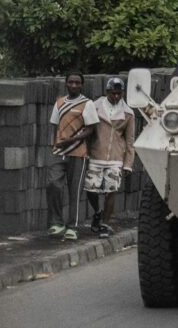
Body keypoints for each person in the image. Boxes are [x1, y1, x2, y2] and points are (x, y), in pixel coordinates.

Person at [47, 73, 100, 241]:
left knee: (74, 190)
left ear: (82, 85)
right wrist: (55, 144)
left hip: (78, 152)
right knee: (53, 184)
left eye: (77, 82)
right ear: (66, 84)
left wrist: (71, 140)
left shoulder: (87, 104)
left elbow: (91, 129)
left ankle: (73, 226)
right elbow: (54, 126)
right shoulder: (60, 102)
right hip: (59, 151)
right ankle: (57, 223)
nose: (74, 85)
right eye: (71, 82)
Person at [86, 77, 136, 238]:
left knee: (111, 191)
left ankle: (105, 224)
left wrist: (128, 163)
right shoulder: (94, 106)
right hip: (95, 154)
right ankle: (98, 212)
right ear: (107, 92)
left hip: (115, 158)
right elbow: (87, 130)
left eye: (119, 94)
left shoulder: (128, 113)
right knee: (90, 189)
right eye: (113, 93)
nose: (116, 97)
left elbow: (130, 141)